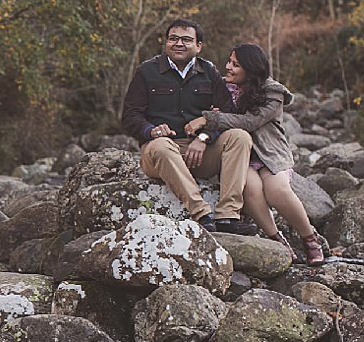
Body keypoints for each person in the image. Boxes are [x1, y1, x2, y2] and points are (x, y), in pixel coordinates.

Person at [184, 42, 326, 264]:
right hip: (242, 155)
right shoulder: (222, 88)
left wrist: (210, 117)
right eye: (229, 61)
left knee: (277, 190)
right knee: (250, 190)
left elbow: (251, 121)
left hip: (270, 154)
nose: (228, 67)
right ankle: (277, 240)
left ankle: (310, 239)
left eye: (236, 64)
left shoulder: (272, 93)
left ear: (251, 70)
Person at [121, 18, 258, 235]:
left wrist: (204, 138)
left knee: (239, 137)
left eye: (186, 39)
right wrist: (151, 130)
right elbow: (130, 116)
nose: (178, 43)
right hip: (159, 153)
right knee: (161, 146)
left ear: (198, 46)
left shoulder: (209, 71)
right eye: (173, 38)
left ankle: (228, 216)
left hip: (200, 153)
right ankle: (202, 214)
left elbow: (228, 114)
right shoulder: (147, 72)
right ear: (166, 43)